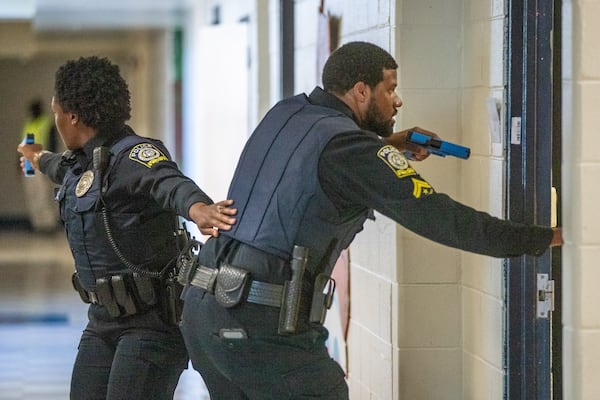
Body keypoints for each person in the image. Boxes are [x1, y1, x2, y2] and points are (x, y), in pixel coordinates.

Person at [178, 41, 563, 399]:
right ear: (361, 91)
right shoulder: (351, 149)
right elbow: (442, 218)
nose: (397, 101)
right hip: (260, 325)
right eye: (389, 89)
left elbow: (314, 160)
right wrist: (541, 238)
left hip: (204, 314)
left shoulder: (287, 112)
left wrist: (386, 145)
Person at [17, 56, 237, 400]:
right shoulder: (81, 164)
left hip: (150, 324)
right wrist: (35, 156)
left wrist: (199, 208)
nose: (56, 119)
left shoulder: (135, 155)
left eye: (56, 111)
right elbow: (55, 166)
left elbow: (168, 182)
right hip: (102, 320)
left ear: (72, 116)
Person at [20, 98, 60, 232]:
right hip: (27, 164)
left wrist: (49, 163)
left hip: (41, 161)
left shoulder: (47, 123)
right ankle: (37, 224)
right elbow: (23, 145)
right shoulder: (29, 124)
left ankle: (48, 224)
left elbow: (52, 143)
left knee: (43, 194)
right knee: (32, 193)